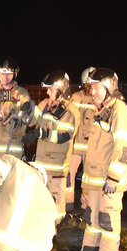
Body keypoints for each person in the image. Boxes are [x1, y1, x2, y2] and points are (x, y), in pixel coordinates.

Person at [70, 68, 127, 251]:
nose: (93, 92)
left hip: (109, 181)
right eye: (92, 88)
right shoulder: (101, 111)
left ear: (109, 87)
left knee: (108, 219)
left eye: (97, 88)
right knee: (92, 217)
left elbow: (124, 148)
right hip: (96, 179)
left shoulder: (120, 111)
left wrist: (114, 178)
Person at [22, 70, 78, 224]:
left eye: (50, 89)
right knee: (39, 207)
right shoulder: (45, 104)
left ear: (60, 89)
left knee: (55, 211)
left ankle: (55, 240)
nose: (47, 92)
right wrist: (28, 110)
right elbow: (32, 120)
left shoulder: (70, 111)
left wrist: (40, 133)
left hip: (56, 171)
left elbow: (64, 135)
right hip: (40, 168)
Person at [0, 57, 32, 161]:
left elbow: (29, 120)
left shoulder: (22, 94)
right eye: (2, 73)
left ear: (15, 74)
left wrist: (18, 121)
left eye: (9, 74)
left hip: (12, 156)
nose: (5, 77)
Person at [66, 67, 97, 216]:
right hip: (76, 146)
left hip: (91, 148)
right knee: (69, 176)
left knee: (89, 179)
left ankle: (86, 209)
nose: (93, 89)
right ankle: (68, 207)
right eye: (90, 85)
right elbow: (70, 118)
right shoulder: (76, 98)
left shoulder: (99, 100)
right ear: (84, 84)